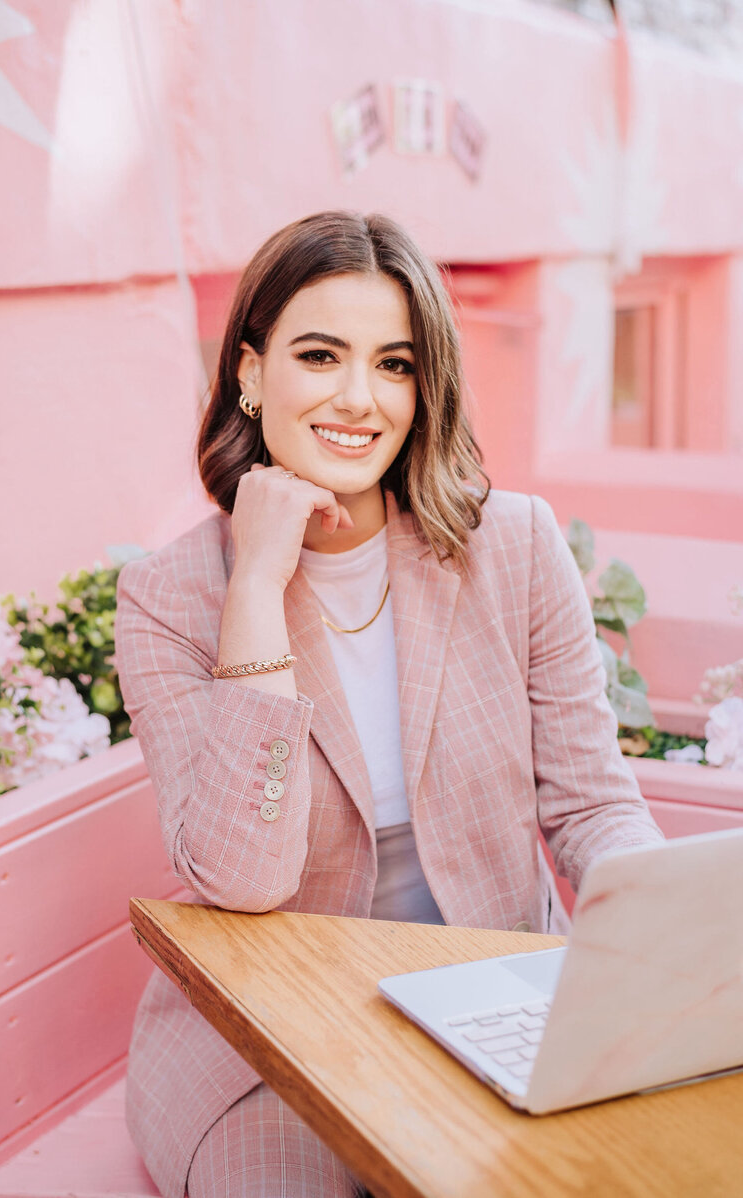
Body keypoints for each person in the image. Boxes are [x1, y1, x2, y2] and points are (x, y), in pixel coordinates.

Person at [114, 210, 663, 1198]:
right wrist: (255, 591)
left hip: (492, 1009)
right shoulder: (170, 596)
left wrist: (665, 926)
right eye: (319, 355)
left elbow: (588, 802)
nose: (358, 399)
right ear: (248, 370)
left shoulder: (516, 545)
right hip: (261, 1051)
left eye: (395, 364)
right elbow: (241, 877)